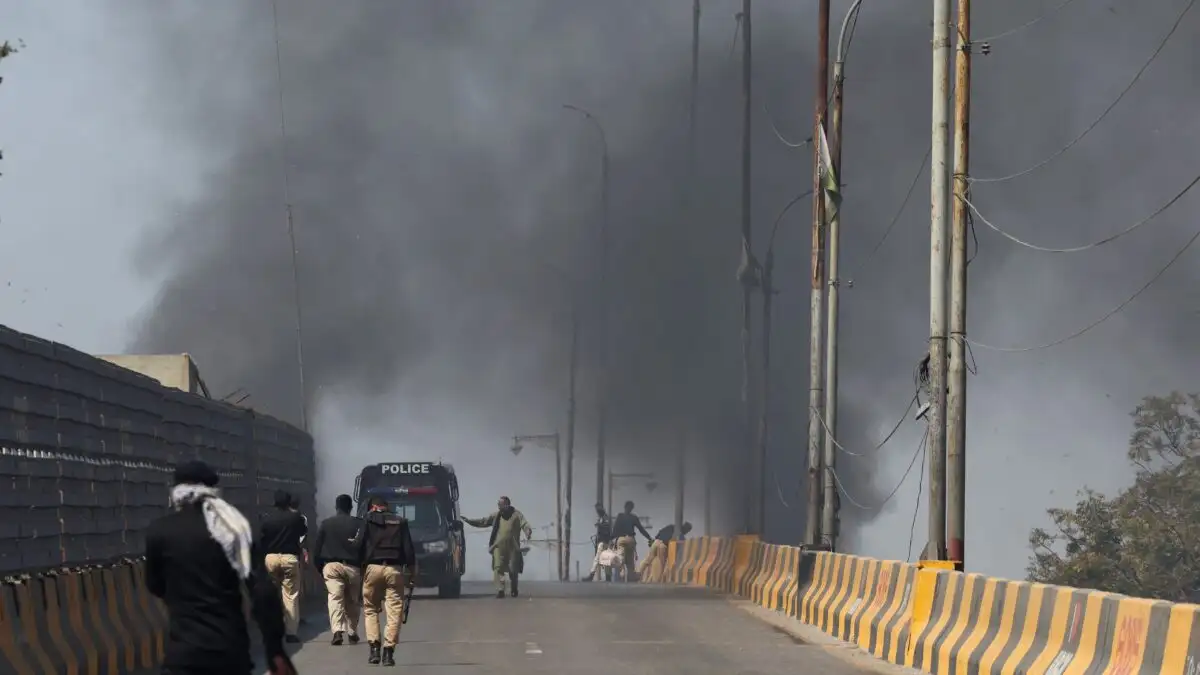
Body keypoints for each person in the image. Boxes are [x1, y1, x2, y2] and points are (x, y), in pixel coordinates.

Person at [144, 460, 296, 675]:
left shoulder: (159, 531)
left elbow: (155, 585)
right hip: (229, 653)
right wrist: (275, 650)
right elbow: (262, 592)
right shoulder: (233, 531)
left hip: (183, 655)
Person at [353, 495, 417, 667]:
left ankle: (374, 649)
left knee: (371, 609)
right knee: (395, 611)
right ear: (386, 506)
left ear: (373, 507)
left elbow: (358, 546)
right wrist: (412, 573)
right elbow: (409, 550)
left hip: (372, 569)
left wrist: (360, 570)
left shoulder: (367, 521)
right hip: (395, 570)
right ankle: (388, 653)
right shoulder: (400, 521)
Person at [311, 493, 363, 646]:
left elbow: (317, 548)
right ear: (351, 508)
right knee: (353, 601)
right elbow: (364, 547)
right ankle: (352, 632)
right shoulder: (359, 524)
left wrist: (321, 568)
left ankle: (337, 631)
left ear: (336, 507)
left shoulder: (326, 524)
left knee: (335, 598)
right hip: (353, 566)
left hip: (331, 566)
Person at [258, 490, 308, 642]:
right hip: (289, 558)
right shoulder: (296, 517)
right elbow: (303, 532)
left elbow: (262, 539)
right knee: (290, 596)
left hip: (271, 558)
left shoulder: (267, 519)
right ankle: (291, 633)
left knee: (272, 595)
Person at [462, 496, 532, 598]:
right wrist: (469, 521)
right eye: (498, 505)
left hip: (513, 547)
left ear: (507, 505)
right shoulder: (497, 516)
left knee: (513, 570)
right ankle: (500, 590)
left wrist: (528, 531)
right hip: (498, 546)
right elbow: (483, 521)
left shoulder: (517, 515)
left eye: (501, 505)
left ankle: (514, 588)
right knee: (498, 567)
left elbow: (525, 524)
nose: (499, 507)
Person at [609, 501, 652, 582]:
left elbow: (615, 529)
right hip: (630, 540)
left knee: (620, 560)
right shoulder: (634, 517)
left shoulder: (620, 516)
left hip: (621, 539)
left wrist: (611, 539)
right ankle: (630, 578)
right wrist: (649, 538)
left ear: (624, 507)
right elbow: (641, 529)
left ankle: (620, 577)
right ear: (632, 508)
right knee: (630, 562)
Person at [582, 503, 613, 582]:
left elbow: (607, 528)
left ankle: (591, 576)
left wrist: (599, 525)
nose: (597, 511)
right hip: (603, 542)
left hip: (603, 542)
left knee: (597, 559)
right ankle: (608, 577)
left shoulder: (605, 518)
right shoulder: (603, 518)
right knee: (605, 560)